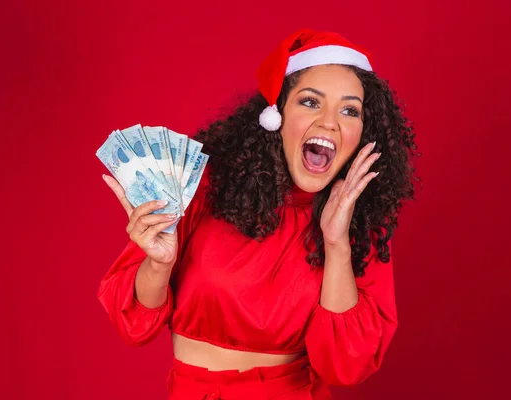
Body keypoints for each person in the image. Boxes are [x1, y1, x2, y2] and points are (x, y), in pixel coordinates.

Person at [98, 28, 419, 400]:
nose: (330, 122)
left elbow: (345, 366)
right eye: (311, 102)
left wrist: (336, 244)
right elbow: (135, 326)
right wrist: (158, 265)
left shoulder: (360, 222)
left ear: (363, 131)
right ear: (276, 114)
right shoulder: (203, 185)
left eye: (349, 110)